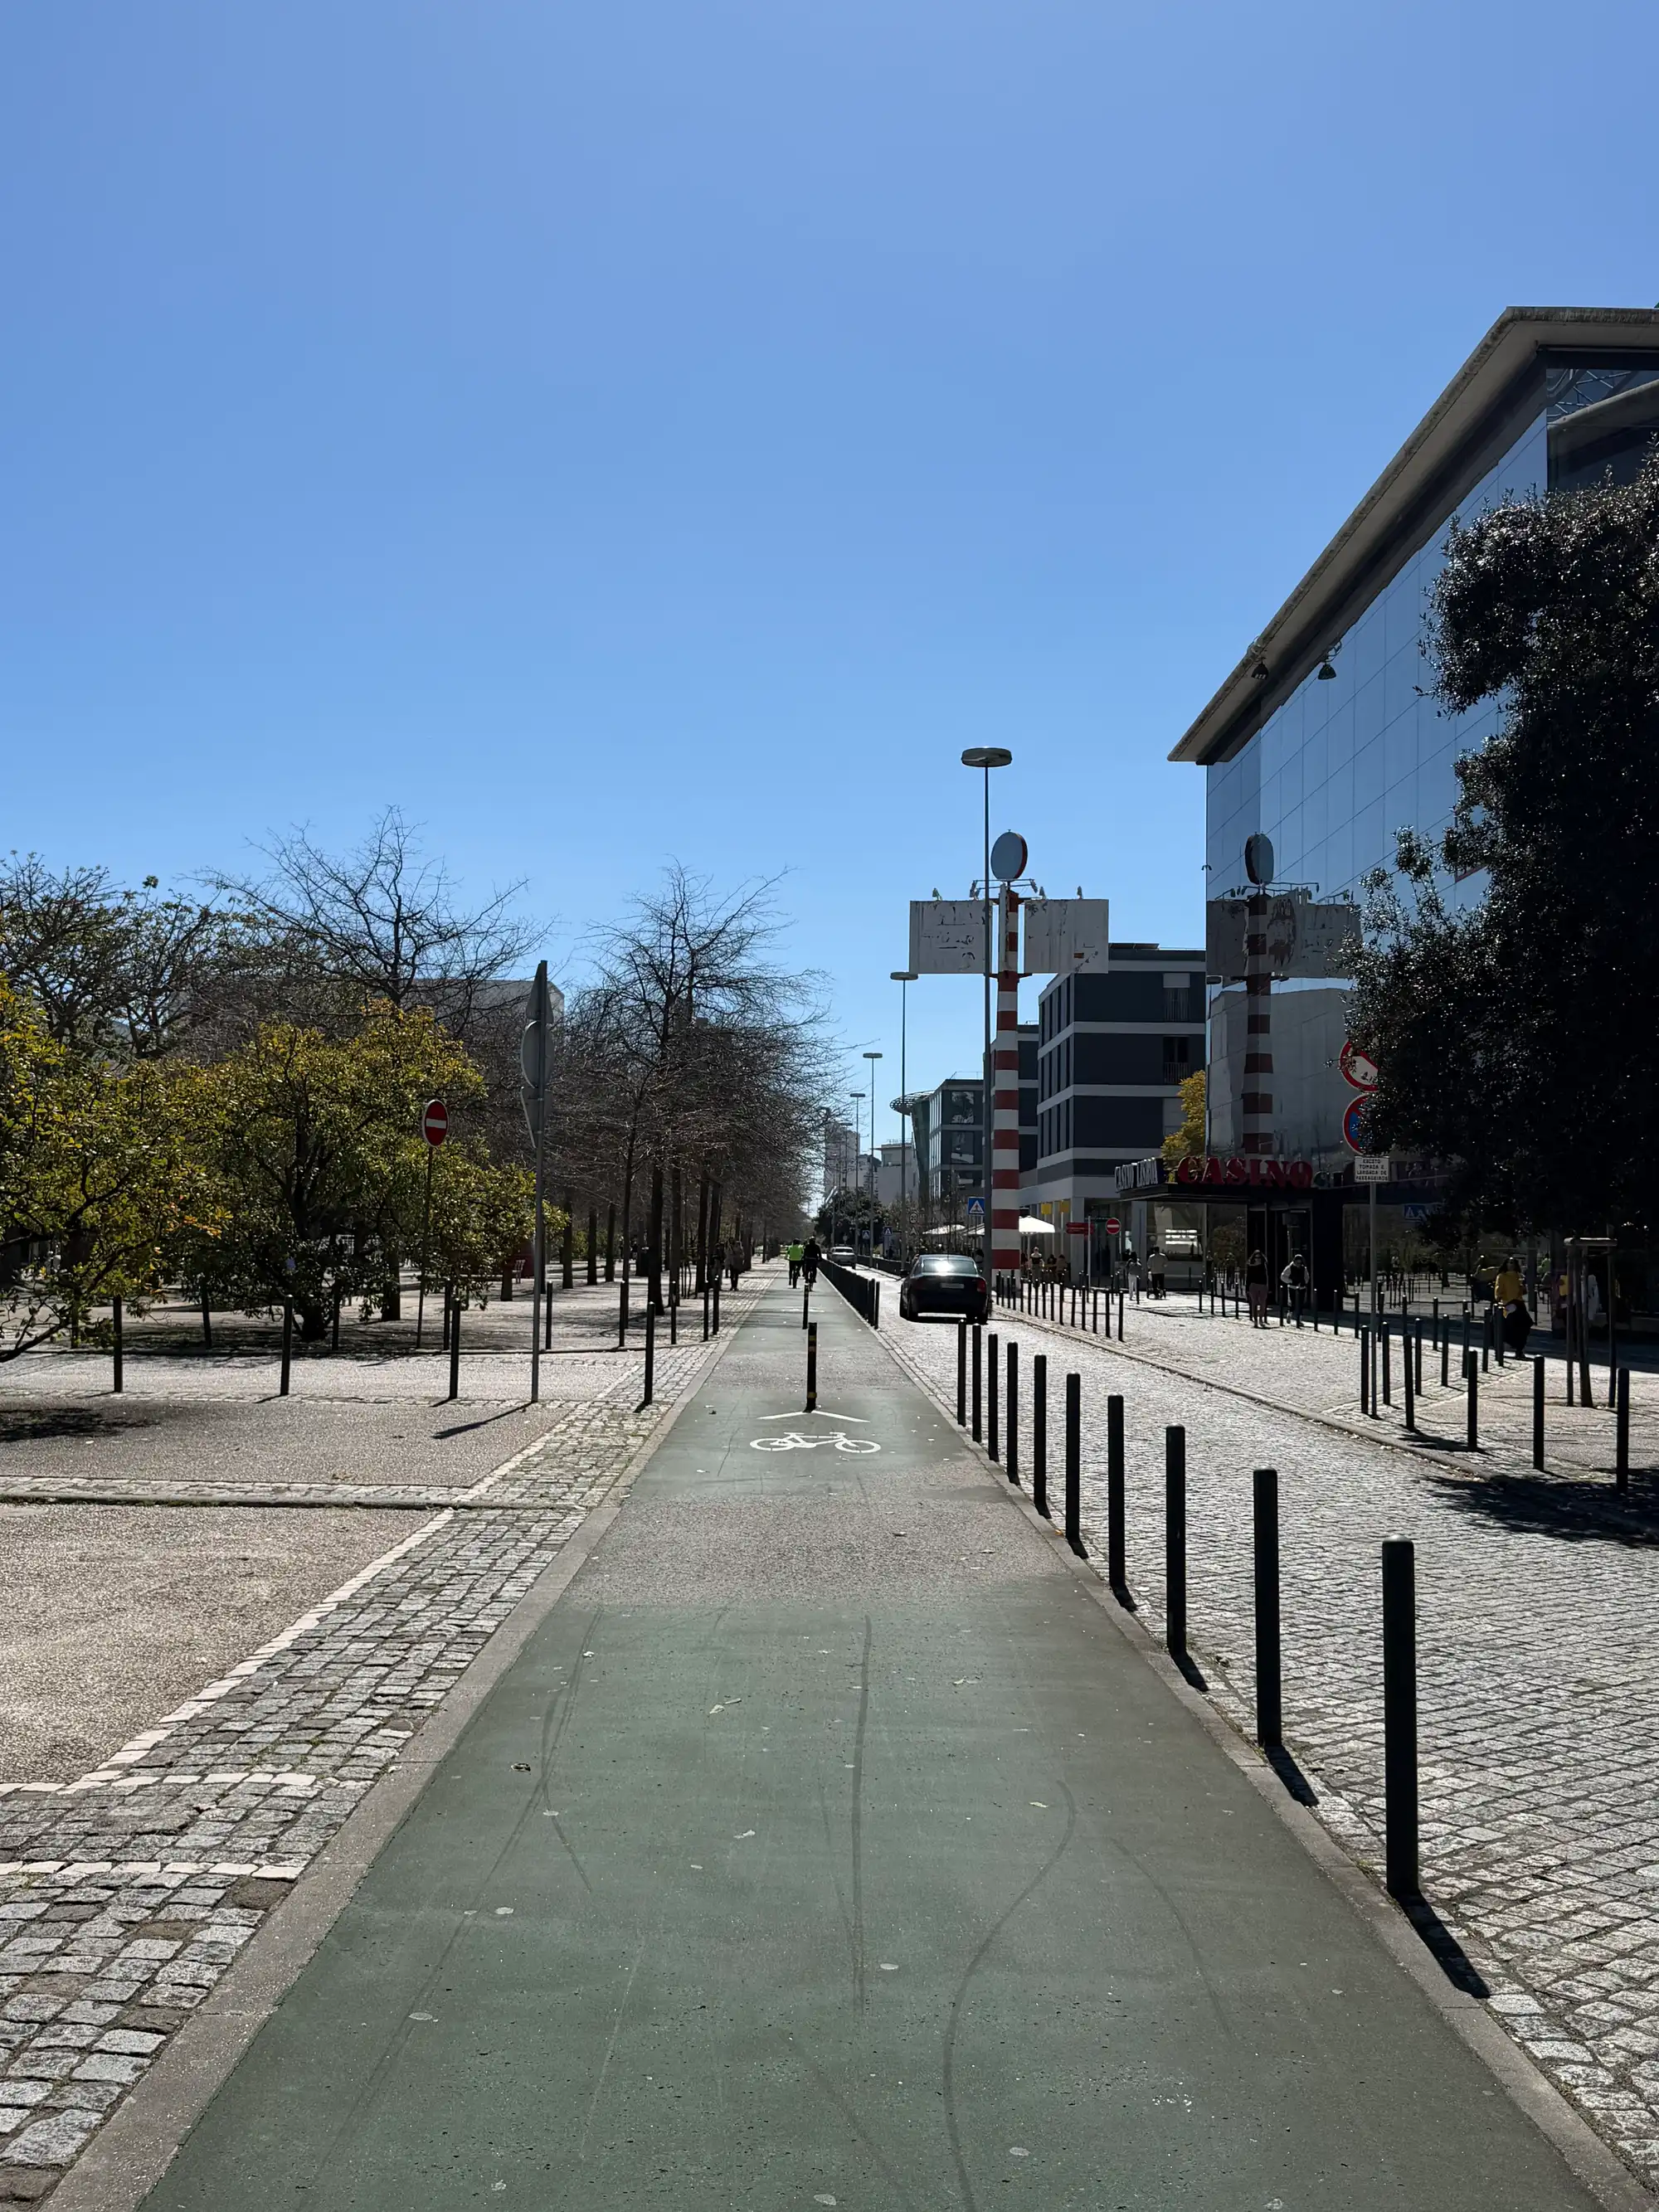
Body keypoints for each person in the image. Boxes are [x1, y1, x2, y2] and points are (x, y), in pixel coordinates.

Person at [1281, 1249, 1309, 1322]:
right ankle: (1289, 1314)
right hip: (1292, 1288)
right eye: (1297, 1262)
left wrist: (1304, 1283)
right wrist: (1291, 1282)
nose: (1299, 1264)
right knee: (1293, 1303)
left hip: (1302, 1288)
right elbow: (1283, 1276)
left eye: (1300, 1262)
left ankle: (1299, 1319)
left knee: (1301, 1303)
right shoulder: (1290, 1268)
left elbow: (1307, 1277)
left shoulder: (1304, 1268)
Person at [1246, 1247, 1270, 1328]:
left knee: (1263, 1303)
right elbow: (1248, 1277)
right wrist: (1247, 1288)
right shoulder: (1250, 1266)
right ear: (1253, 1258)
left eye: (1259, 1257)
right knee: (1254, 1303)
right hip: (1253, 1285)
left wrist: (1268, 1286)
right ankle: (1255, 1320)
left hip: (1263, 1285)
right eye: (1256, 1258)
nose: (1258, 1259)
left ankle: (1261, 1318)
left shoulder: (1264, 1265)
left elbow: (1267, 1276)